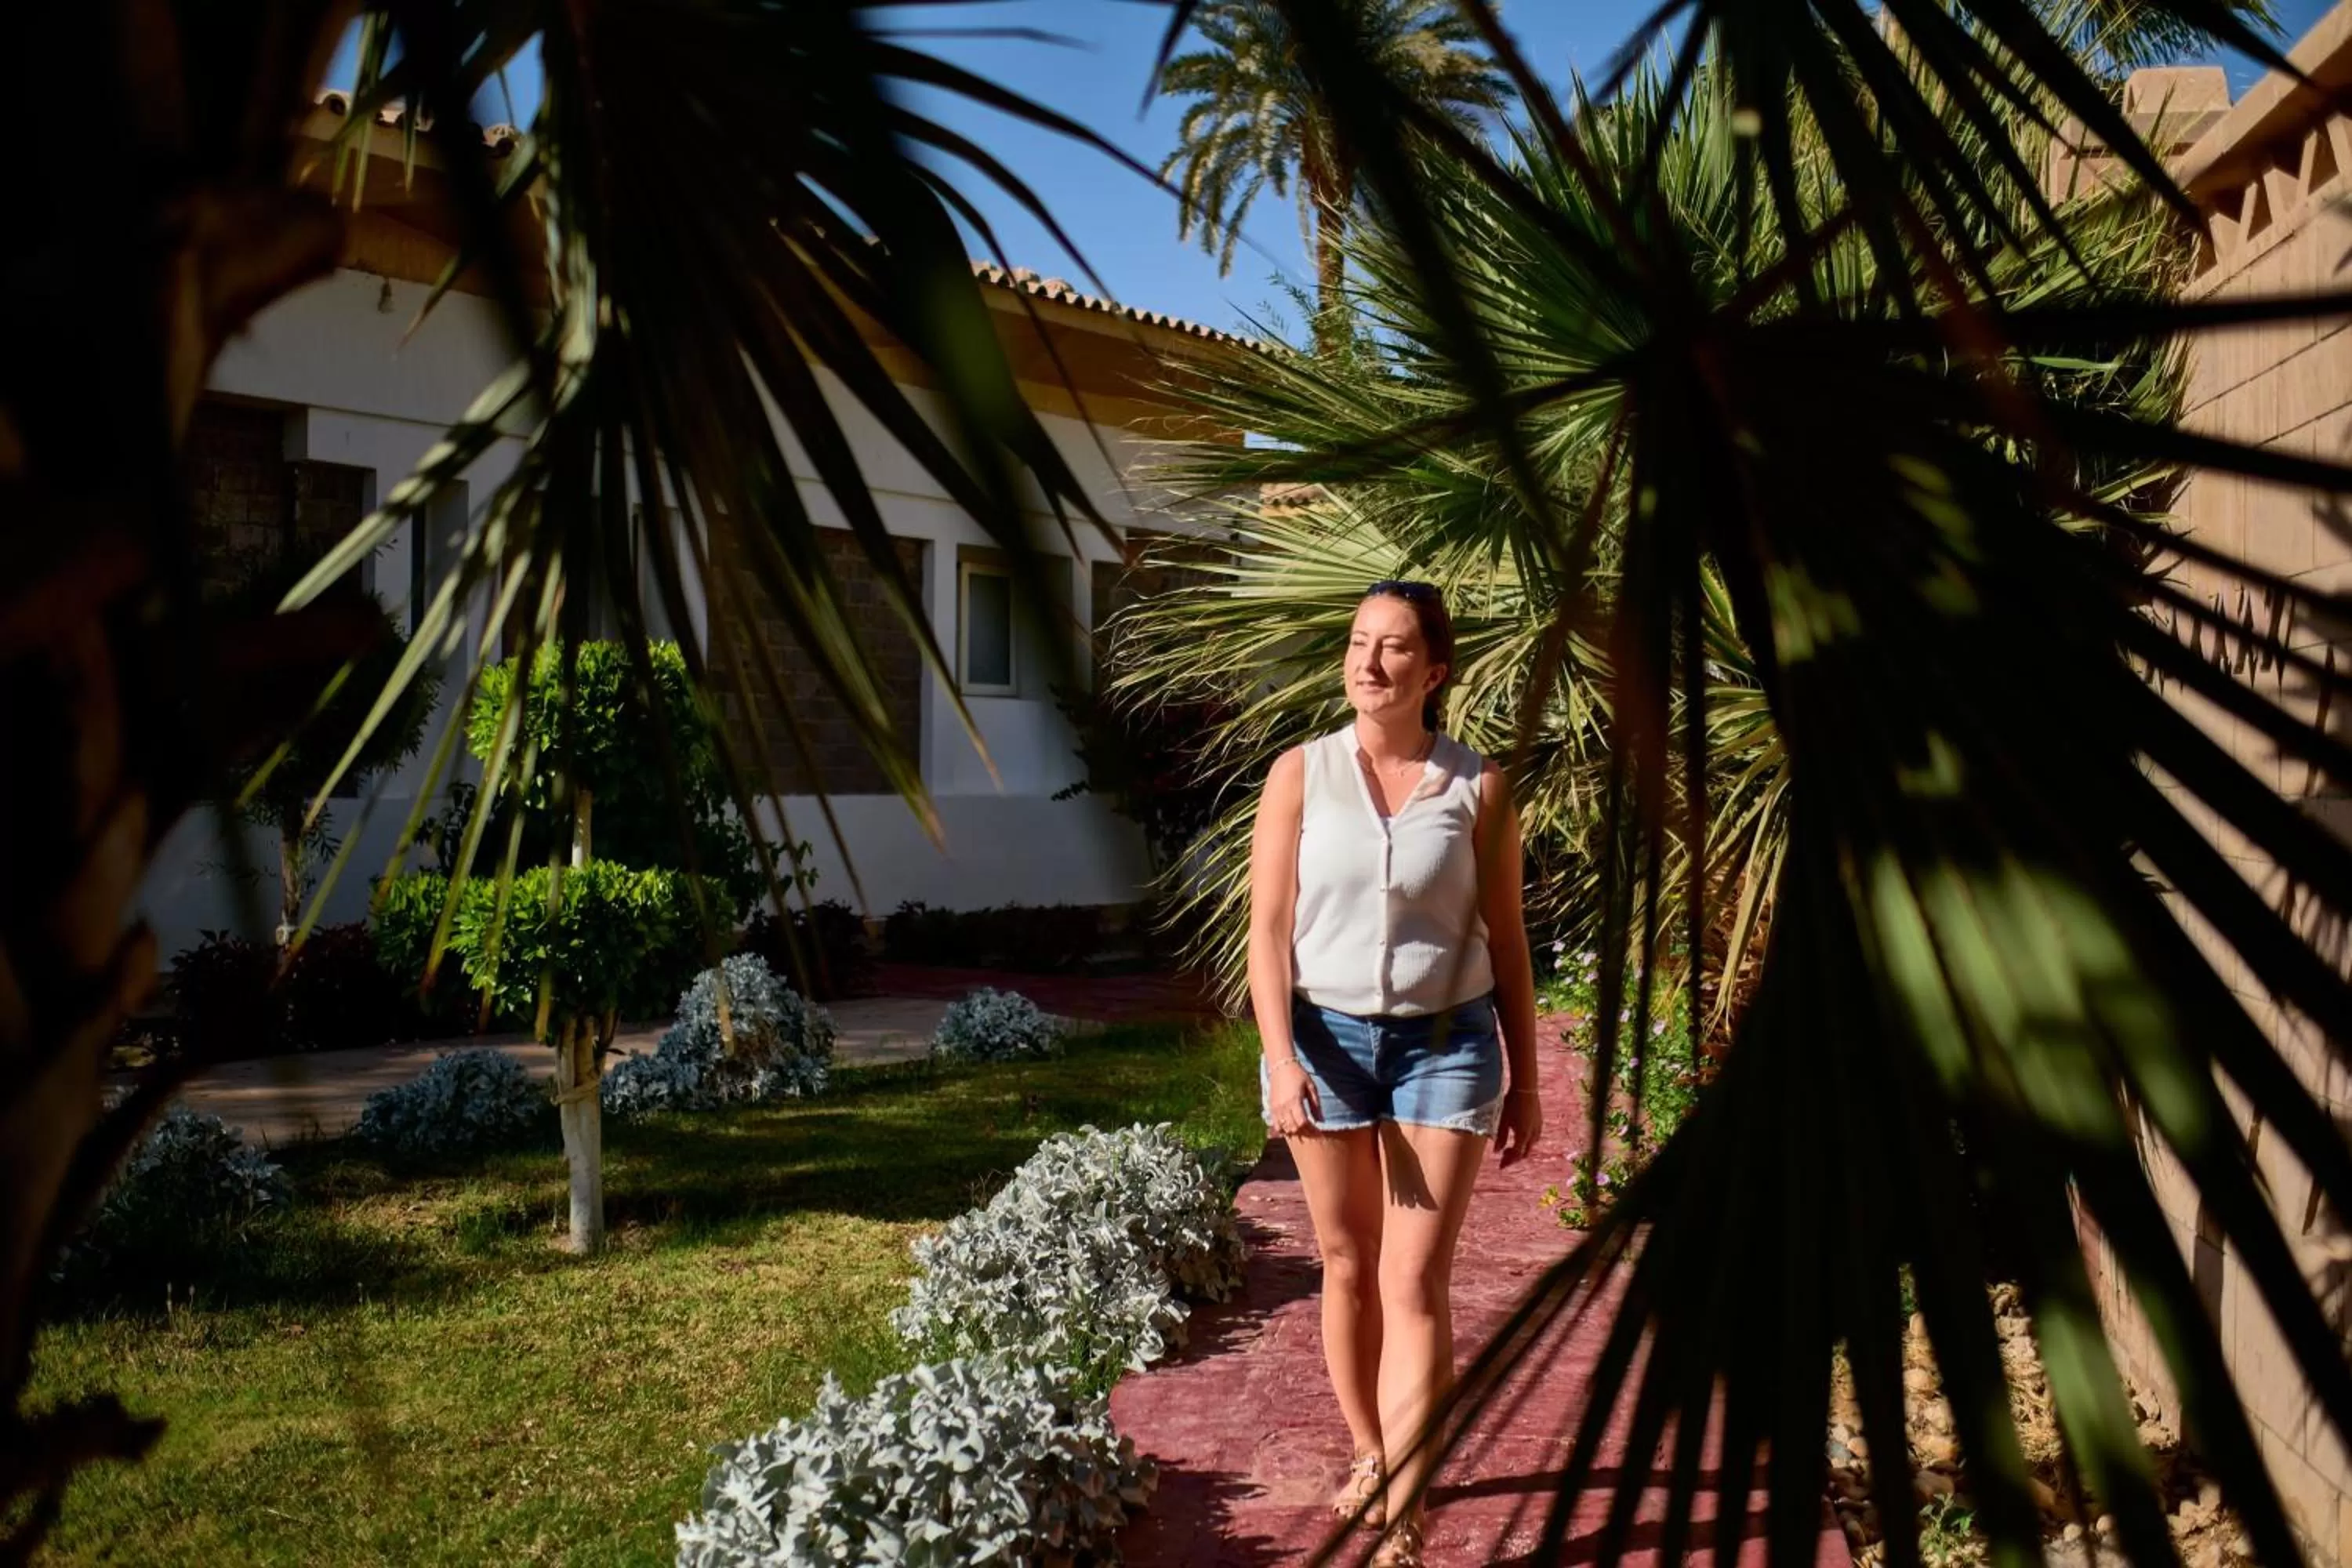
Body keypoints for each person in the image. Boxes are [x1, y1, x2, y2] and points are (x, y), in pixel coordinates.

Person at [1248, 579, 1544, 1566]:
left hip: (1447, 1045)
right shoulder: (1300, 773)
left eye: (1395, 646)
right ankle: (1372, 1450)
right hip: (1324, 1040)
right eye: (1358, 642)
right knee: (1347, 1262)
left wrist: (1528, 1078)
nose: (1369, 662)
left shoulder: (1477, 786)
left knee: (1413, 1275)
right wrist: (1281, 1059)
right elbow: (1268, 930)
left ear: (1435, 669)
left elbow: (1508, 938)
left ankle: (1407, 1508)